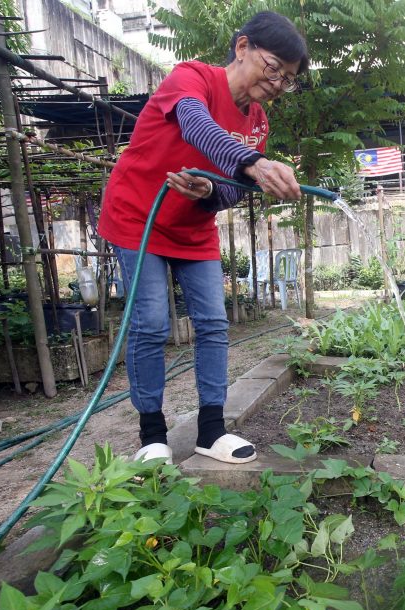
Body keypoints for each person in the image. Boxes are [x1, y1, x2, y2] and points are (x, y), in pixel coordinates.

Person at [98, 11, 307, 465]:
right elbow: (195, 125)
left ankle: (211, 430)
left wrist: (213, 189)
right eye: (274, 68)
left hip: (192, 227)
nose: (277, 83)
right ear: (242, 47)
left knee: (213, 323)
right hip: (138, 217)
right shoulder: (190, 78)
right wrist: (252, 162)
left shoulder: (257, 123)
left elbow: (233, 190)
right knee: (152, 323)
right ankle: (152, 436)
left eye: (287, 79)